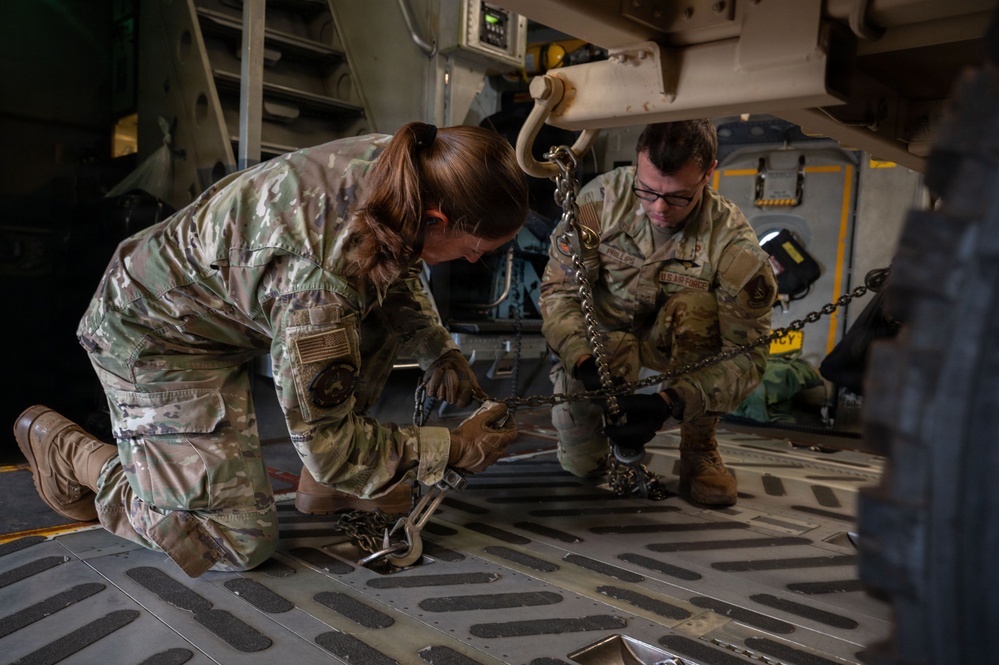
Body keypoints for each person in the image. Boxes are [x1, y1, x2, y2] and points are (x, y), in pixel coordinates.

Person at [14, 122, 527, 577]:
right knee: (232, 541)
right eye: (475, 249)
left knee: (376, 310)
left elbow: (396, 259)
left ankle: (328, 488)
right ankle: (73, 455)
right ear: (436, 219)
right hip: (153, 337)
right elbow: (331, 447)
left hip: (217, 316)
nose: (474, 261)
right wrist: (454, 448)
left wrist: (438, 350)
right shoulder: (319, 287)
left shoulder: (411, 166)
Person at [539, 119, 776, 506]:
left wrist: (671, 402)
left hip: (675, 346)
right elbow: (559, 293)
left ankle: (699, 449)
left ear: (708, 173)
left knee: (698, 310)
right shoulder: (599, 204)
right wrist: (582, 360)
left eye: (678, 196)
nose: (660, 208)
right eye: (647, 191)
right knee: (582, 466)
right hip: (603, 344)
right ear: (638, 161)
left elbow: (747, 355)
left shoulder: (732, 244)